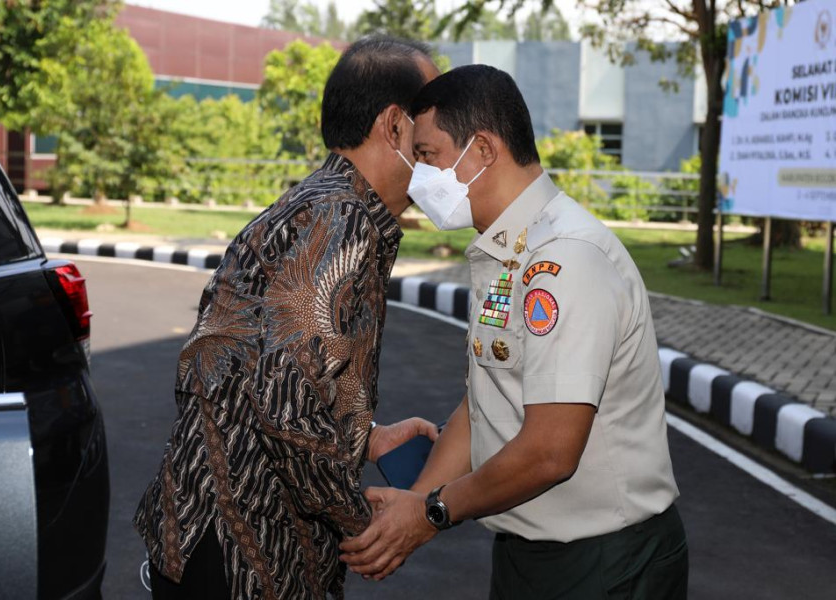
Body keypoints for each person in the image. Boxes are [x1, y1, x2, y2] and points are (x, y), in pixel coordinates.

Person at [340, 64, 688, 599]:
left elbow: (550, 451)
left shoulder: (566, 259)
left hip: (604, 565)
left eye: (429, 155)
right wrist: (415, 501)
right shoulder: (510, 251)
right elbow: (482, 405)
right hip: (531, 556)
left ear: (482, 149)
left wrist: (431, 512)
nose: (418, 176)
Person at [134, 36, 442, 600]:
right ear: (395, 126)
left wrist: (366, 438)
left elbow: (274, 365)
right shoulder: (341, 220)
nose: (441, 140)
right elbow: (286, 401)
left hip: (222, 537)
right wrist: (366, 526)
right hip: (242, 554)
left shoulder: (319, 204)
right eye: (432, 120)